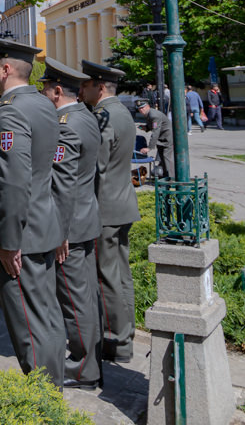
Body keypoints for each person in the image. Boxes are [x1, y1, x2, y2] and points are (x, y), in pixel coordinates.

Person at [0, 38, 64, 388]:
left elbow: (15, 182)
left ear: (6, 68)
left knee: (29, 324)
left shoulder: (10, 110)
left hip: (21, 236)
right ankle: (53, 390)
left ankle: (43, 399)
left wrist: (8, 241)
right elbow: (52, 174)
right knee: (47, 316)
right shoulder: (44, 106)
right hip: (44, 226)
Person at [38, 58, 102, 389]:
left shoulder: (65, 125)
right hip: (85, 218)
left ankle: (82, 368)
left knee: (74, 302)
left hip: (70, 227)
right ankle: (90, 358)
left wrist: (59, 233)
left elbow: (63, 185)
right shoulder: (85, 117)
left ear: (58, 90)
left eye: (45, 88)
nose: (43, 94)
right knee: (85, 296)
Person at [80, 60, 142, 364]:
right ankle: (125, 335)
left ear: (99, 86)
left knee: (107, 278)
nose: (81, 89)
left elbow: (96, 167)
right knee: (121, 275)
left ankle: (117, 341)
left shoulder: (102, 117)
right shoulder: (121, 112)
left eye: (85, 84)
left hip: (105, 209)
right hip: (122, 204)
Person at [135, 99, 174, 180]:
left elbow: (155, 131)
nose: (141, 110)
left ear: (148, 106)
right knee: (163, 159)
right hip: (161, 139)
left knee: (167, 158)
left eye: (143, 108)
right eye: (139, 109)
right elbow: (153, 126)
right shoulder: (149, 114)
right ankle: (165, 177)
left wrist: (149, 148)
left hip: (166, 139)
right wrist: (146, 127)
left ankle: (171, 179)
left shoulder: (154, 115)